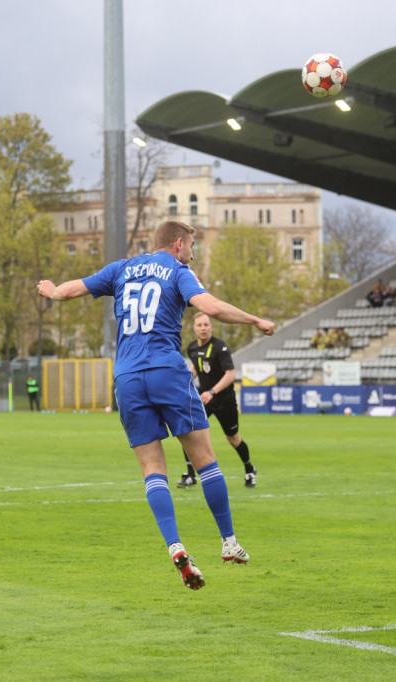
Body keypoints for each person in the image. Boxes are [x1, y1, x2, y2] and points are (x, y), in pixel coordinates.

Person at [37, 220, 274, 590]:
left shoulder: (122, 268)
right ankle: (229, 542)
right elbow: (209, 305)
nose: (193, 254)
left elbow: (69, 291)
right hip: (165, 369)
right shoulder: (178, 271)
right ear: (178, 244)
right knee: (206, 459)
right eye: (192, 246)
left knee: (152, 468)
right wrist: (254, 319)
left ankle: (176, 546)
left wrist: (51, 291)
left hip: (127, 378)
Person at [177, 311, 258, 489]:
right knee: (188, 431)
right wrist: (184, 379)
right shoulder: (192, 348)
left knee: (233, 438)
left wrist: (212, 391)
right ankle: (191, 476)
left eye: (206, 325)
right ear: (194, 328)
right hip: (205, 399)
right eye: (200, 325)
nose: (203, 328)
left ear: (211, 327)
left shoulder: (220, 348)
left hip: (224, 399)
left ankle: (250, 469)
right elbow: (197, 368)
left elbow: (231, 375)